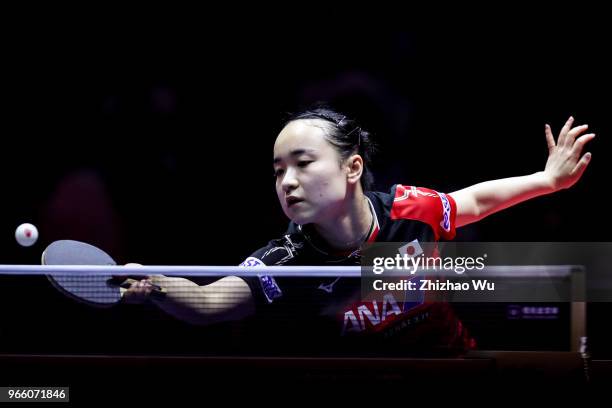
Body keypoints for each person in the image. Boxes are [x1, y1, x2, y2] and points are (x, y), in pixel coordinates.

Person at [122, 107, 595, 355]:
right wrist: (155, 285)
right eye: (277, 170)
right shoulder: (284, 261)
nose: (287, 181)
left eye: (303, 164)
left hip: (450, 369)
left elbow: (474, 200)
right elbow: (210, 303)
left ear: (353, 167)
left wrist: (549, 180)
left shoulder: (412, 212)